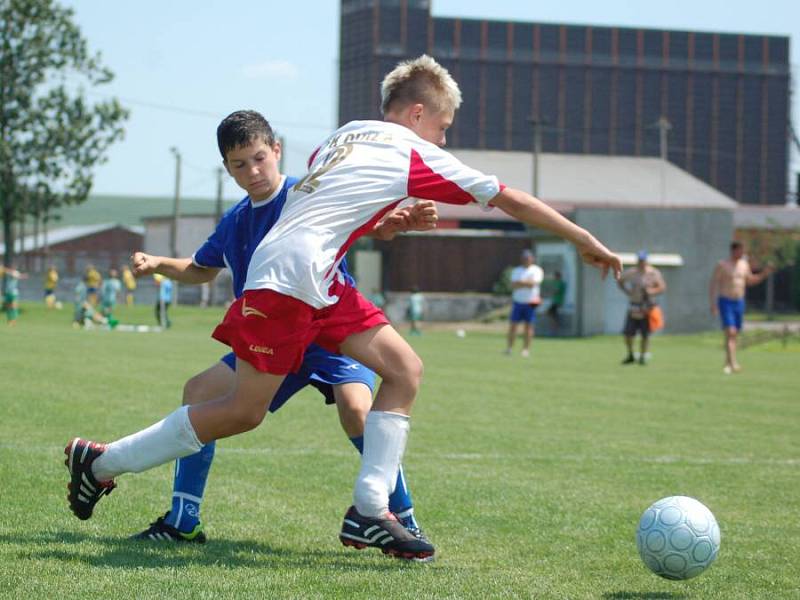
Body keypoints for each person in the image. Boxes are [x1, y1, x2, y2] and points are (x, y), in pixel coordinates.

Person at [63, 56, 620, 562]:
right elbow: (509, 198)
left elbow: (331, 207)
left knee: (405, 370)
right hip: (288, 279)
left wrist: (387, 221)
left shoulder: (347, 133)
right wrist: (582, 237)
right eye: (443, 129)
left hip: (321, 279)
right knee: (242, 412)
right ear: (420, 114)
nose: (442, 140)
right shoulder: (414, 151)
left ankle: (370, 509)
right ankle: (102, 462)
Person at [124, 111, 435, 546]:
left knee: (358, 410)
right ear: (227, 168)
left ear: (276, 150)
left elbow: (364, 221)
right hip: (271, 339)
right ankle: (183, 519)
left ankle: (400, 516)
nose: (252, 172)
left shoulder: (306, 192)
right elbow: (200, 269)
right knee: (198, 391)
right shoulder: (235, 221)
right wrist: (157, 264)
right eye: (239, 165)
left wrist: (393, 224)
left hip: (328, 332)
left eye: (258, 159)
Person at [709, 241, 773, 374]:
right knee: (730, 332)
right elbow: (714, 284)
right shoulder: (722, 265)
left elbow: (750, 281)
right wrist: (713, 303)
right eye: (740, 251)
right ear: (733, 250)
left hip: (739, 302)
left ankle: (727, 362)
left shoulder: (744, 265)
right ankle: (733, 363)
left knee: (734, 334)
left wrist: (764, 274)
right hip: (726, 301)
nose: (742, 253)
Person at [618, 251, 667, 365]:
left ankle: (643, 356)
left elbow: (662, 287)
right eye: (640, 260)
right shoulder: (632, 272)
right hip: (634, 306)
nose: (641, 263)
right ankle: (630, 354)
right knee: (628, 333)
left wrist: (651, 291)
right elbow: (620, 281)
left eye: (643, 260)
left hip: (647, 307)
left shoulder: (653, 273)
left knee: (645, 334)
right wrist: (627, 291)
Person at [504, 249, 544, 357]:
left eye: (528, 257)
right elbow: (513, 285)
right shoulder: (517, 270)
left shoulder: (536, 270)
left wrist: (521, 282)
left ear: (532, 259)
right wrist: (526, 282)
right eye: (524, 257)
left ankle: (526, 350)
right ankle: (509, 348)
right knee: (513, 326)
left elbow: (533, 284)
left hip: (531, 302)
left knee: (529, 327)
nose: (526, 259)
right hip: (518, 301)